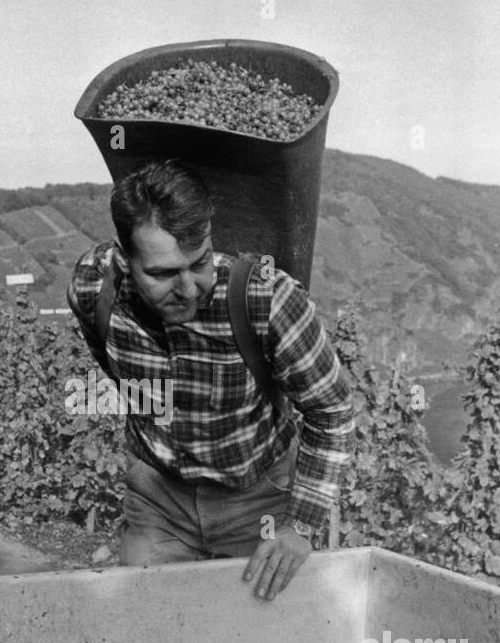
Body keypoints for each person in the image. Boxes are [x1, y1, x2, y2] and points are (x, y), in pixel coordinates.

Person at [66, 159, 354, 600]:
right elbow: (108, 359)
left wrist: (300, 527)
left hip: (257, 502)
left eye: (198, 263)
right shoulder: (93, 287)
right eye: (163, 274)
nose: (188, 287)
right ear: (124, 261)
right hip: (157, 500)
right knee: (151, 631)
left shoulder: (266, 301)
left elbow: (331, 410)